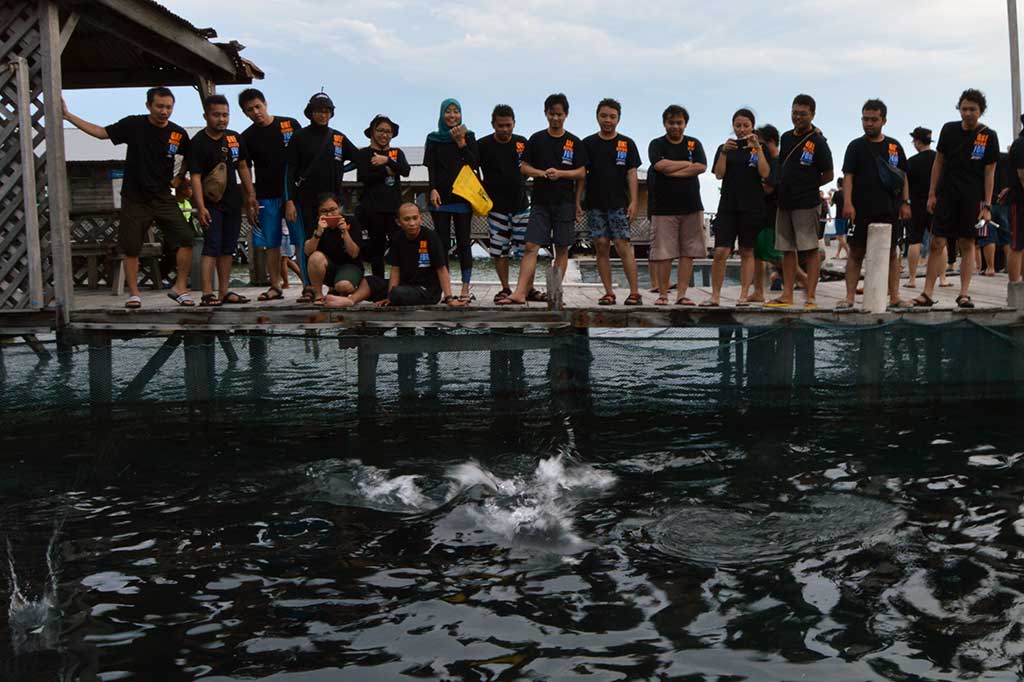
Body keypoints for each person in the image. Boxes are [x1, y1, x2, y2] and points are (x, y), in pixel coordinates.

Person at [61, 87, 196, 309]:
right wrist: (68, 116)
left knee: (186, 238)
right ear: (148, 106)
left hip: (163, 197)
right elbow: (101, 132)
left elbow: (190, 157)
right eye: (159, 106)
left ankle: (180, 287)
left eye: (168, 107)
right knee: (131, 247)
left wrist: (180, 178)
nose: (164, 111)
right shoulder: (134, 125)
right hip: (135, 198)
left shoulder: (178, 133)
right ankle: (134, 294)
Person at [499, 94, 588, 305]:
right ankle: (520, 293)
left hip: (565, 203)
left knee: (563, 248)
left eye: (559, 114)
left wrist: (563, 177)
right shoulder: (536, 139)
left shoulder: (574, 142)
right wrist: (540, 173)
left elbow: (582, 173)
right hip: (540, 203)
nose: (556, 118)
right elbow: (524, 167)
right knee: (531, 246)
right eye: (552, 114)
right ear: (545, 113)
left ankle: (555, 293)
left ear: (566, 115)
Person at [915, 89, 999, 309]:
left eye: (973, 109)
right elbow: (939, 162)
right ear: (959, 109)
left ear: (981, 111)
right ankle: (927, 292)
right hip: (947, 193)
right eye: (964, 109)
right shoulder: (949, 129)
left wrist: (987, 205)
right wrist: (932, 192)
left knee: (967, 243)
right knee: (937, 242)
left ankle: (963, 293)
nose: (968, 113)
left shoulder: (989, 136)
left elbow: (990, 172)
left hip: (972, 196)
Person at [837, 99, 912, 310]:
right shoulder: (855, 146)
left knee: (891, 253)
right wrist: (848, 203)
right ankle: (850, 297)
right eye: (865, 119)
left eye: (873, 119)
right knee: (856, 252)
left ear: (883, 120)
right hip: (861, 209)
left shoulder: (894, 146)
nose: (868, 123)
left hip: (890, 207)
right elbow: (848, 176)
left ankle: (895, 297)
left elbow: (904, 176)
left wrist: (906, 202)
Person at [284, 92, 359, 303]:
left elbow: (358, 158)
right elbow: (289, 170)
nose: (323, 114)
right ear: (310, 113)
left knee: (333, 240)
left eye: (326, 111)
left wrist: (341, 169)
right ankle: (308, 286)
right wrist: (289, 200)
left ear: (331, 113)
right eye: (318, 111)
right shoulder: (299, 136)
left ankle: (334, 282)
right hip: (305, 200)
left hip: (332, 201)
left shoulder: (338, 137)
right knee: (305, 241)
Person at [188, 94, 257, 307]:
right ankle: (208, 293)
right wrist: (200, 207)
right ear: (206, 116)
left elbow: (243, 166)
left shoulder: (235, 138)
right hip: (210, 203)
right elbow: (196, 177)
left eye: (225, 115)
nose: (221, 119)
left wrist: (251, 195)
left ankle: (225, 291)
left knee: (228, 247)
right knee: (212, 246)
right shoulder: (198, 142)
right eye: (216, 115)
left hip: (233, 200)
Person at [768, 94, 834, 309]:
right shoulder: (786, 137)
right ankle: (787, 294)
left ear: (812, 114)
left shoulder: (818, 141)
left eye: (803, 114)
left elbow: (829, 174)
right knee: (787, 249)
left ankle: (811, 296)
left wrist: (807, 184)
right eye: (795, 112)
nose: (798, 117)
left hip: (806, 202)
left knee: (810, 249)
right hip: (784, 201)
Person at [238, 88, 303, 302]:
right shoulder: (246, 137)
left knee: (300, 240)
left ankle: (310, 286)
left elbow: (304, 155)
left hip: (293, 194)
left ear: (265, 103)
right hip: (266, 195)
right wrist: (250, 196)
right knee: (271, 243)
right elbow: (244, 167)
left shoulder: (289, 124)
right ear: (245, 113)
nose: (255, 112)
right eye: (249, 110)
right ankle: (275, 285)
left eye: (258, 106)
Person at [577, 98, 643, 306]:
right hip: (595, 204)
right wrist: (577, 201)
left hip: (619, 204)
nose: (608, 120)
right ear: (597, 117)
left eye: (612, 117)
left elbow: (632, 174)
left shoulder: (626, 144)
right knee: (601, 246)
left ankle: (634, 292)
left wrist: (634, 202)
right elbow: (581, 175)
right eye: (604, 116)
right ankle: (608, 293)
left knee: (623, 245)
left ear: (618, 119)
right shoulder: (587, 143)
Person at [646, 105, 708, 306]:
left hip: (691, 206)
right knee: (664, 253)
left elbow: (702, 167)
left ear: (685, 124)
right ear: (664, 124)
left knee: (687, 253)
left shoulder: (693, 143)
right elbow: (659, 166)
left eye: (679, 122)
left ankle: (682, 294)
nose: (675, 126)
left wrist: (673, 170)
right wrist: (687, 165)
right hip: (663, 208)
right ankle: (663, 294)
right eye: (671, 122)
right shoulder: (656, 144)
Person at [709, 108, 771, 306]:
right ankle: (715, 295)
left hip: (751, 206)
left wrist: (759, 149)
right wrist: (725, 153)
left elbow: (765, 173)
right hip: (728, 205)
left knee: (747, 250)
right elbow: (719, 174)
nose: (742, 129)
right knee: (721, 252)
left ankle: (744, 294)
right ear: (733, 126)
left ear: (752, 126)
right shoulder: (725, 147)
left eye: (746, 125)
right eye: (738, 125)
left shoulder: (759, 147)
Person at [424, 99, 479, 301]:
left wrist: (461, 143)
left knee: (464, 243)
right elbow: (431, 168)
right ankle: (445, 290)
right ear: (441, 114)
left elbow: (474, 162)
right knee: (442, 244)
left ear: (461, 115)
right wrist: (432, 189)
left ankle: (465, 289)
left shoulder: (469, 136)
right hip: (441, 198)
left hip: (463, 197)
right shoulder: (433, 138)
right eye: (448, 111)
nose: (452, 115)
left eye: (456, 111)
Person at [478, 105, 530, 301]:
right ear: (493, 124)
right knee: (499, 252)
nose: (505, 130)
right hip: (495, 209)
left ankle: (526, 288)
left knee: (527, 251)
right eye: (500, 126)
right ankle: (506, 288)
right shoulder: (482, 144)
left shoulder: (522, 143)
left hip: (521, 206)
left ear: (514, 123)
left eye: (508, 125)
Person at [377, 203, 466, 307]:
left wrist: (449, 299)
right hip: (407, 285)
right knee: (371, 282)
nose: (412, 223)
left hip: (427, 290)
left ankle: (395, 296)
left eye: (415, 218)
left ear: (421, 219)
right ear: (398, 222)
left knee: (397, 293)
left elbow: (442, 269)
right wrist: (389, 297)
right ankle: (352, 301)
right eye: (407, 219)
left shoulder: (431, 237)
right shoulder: (397, 238)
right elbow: (395, 269)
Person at [357, 115, 410, 279]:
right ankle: (379, 284)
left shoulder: (396, 153)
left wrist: (386, 160)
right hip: (373, 209)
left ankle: (402, 282)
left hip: (394, 209)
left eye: (388, 131)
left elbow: (405, 170)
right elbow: (363, 176)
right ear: (372, 132)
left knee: (400, 247)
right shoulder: (365, 153)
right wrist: (386, 170)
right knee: (376, 251)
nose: (384, 134)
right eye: (380, 130)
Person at [304, 193, 363, 305]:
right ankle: (318, 295)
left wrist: (345, 231)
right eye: (324, 211)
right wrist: (318, 233)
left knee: (343, 286)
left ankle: (341, 291)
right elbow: (308, 252)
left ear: (339, 208)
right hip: (328, 267)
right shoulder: (316, 224)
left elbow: (354, 254)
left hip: (350, 266)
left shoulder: (351, 221)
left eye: (333, 209)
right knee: (315, 257)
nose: (330, 214)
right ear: (318, 212)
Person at [905, 126, 941, 289]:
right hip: (936, 203)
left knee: (915, 241)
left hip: (917, 204)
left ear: (918, 141)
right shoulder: (938, 159)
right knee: (939, 240)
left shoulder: (911, 162)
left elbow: (905, 185)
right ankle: (943, 278)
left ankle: (912, 278)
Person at [1008, 115, 1024, 283]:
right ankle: (1014, 287)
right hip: (1020, 202)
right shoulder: (1021, 144)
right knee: (1017, 244)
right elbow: (1022, 175)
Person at [831, 178, 849, 259]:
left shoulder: (836, 193)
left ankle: (848, 253)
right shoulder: (846, 193)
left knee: (839, 237)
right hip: (846, 217)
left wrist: (831, 195)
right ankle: (837, 254)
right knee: (842, 237)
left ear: (838, 184)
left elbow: (831, 204)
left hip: (839, 217)